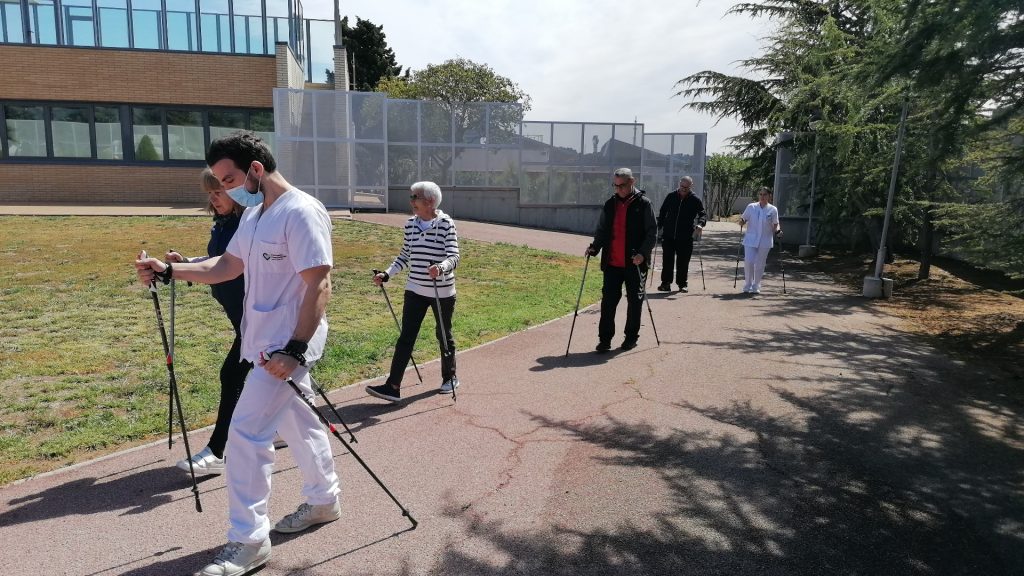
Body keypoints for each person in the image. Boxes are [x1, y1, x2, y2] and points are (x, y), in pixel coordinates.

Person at [135, 132, 339, 576]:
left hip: (287, 346)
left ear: (256, 169)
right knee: (299, 423)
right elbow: (226, 266)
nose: (224, 189)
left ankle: (249, 541)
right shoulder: (253, 217)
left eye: (229, 179)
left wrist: (295, 350)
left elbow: (318, 286)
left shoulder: (300, 211)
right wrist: (171, 270)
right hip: (261, 341)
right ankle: (324, 500)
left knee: (245, 434)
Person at [165, 169, 251, 475]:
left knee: (232, 375)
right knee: (275, 382)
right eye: (210, 194)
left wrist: (177, 271)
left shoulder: (247, 224)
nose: (214, 199)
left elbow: (228, 266)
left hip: (258, 319)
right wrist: (186, 263)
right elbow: (216, 261)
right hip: (241, 318)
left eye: (220, 191)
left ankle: (219, 450)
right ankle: (278, 430)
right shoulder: (224, 224)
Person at [366, 181, 460, 403]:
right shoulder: (410, 224)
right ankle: (393, 387)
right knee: (406, 337)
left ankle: (450, 377)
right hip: (415, 289)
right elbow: (405, 255)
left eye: (414, 197)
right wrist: (387, 274)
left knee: (443, 335)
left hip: (441, 291)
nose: (411, 201)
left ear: (429, 201)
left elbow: (454, 256)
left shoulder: (446, 224)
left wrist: (440, 267)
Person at [586, 167, 657, 352]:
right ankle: (605, 340)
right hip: (612, 264)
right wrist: (595, 247)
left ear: (632, 182)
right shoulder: (610, 204)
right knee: (608, 303)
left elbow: (652, 232)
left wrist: (643, 253)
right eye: (615, 186)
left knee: (635, 302)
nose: (618, 190)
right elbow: (602, 230)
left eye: (622, 186)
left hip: (635, 263)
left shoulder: (644, 204)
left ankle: (631, 337)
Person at [656, 176, 708, 293]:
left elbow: (702, 214)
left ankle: (682, 284)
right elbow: (663, 210)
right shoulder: (671, 196)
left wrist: (700, 224)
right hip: (669, 234)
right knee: (667, 260)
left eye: (687, 187)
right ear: (679, 184)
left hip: (685, 236)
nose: (684, 189)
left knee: (683, 261)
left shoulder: (695, 199)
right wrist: (660, 225)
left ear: (691, 186)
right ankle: (666, 283)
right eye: (682, 186)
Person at [739, 186, 783, 294]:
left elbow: (775, 224)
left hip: (765, 240)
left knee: (760, 263)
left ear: (769, 196)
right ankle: (747, 284)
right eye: (761, 194)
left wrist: (778, 231)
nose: (762, 197)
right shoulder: (751, 207)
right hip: (751, 239)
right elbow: (743, 218)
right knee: (749, 261)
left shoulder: (773, 209)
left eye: (765, 195)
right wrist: (741, 221)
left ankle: (756, 285)